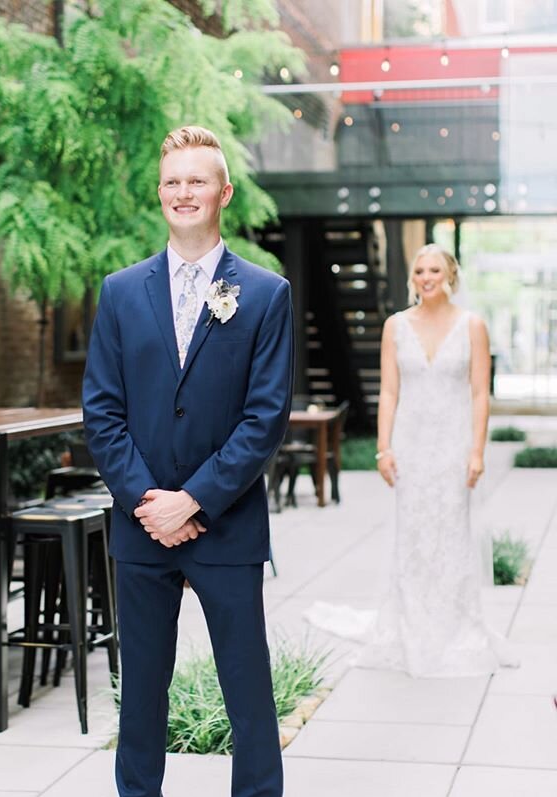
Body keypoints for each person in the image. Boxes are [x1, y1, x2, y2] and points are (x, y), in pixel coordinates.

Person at [82, 125, 294, 797]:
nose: (183, 192)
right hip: (142, 527)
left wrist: (194, 499)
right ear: (160, 194)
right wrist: (150, 501)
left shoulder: (264, 294)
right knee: (141, 692)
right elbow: (102, 410)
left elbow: (264, 419)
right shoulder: (119, 292)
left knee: (247, 692)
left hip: (225, 525)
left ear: (223, 192)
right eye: (172, 181)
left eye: (197, 180)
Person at [304, 243, 518, 677]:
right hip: (413, 448)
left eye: (434, 269)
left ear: (451, 275)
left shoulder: (472, 326)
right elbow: (389, 391)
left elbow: (480, 393)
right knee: (415, 535)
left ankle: (458, 628)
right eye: (420, 270)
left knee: (452, 535)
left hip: (453, 448)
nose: (426, 277)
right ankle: (411, 627)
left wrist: (477, 450)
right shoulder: (396, 327)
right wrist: (384, 447)